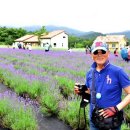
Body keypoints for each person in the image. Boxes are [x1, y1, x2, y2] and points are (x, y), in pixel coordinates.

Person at [74, 41, 130, 130]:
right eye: (96, 52)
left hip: (112, 121)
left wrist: (116, 108)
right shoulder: (90, 72)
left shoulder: (118, 71)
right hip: (94, 119)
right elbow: (90, 92)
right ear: (92, 55)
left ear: (108, 53)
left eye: (102, 52)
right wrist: (82, 91)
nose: (99, 55)